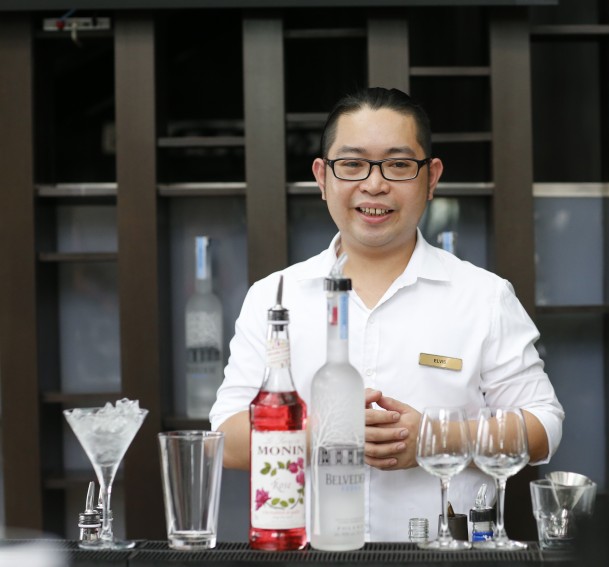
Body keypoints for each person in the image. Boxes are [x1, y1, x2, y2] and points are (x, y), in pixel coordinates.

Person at [210, 87, 564, 542]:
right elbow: (226, 438)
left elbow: (543, 427)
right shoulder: (274, 297)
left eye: (398, 165)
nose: (374, 185)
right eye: (352, 164)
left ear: (431, 178)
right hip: (307, 553)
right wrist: (328, 434)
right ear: (322, 177)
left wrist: (437, 438)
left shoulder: (483, 296)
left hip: (446, 555)